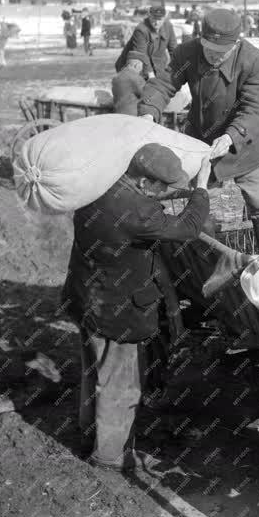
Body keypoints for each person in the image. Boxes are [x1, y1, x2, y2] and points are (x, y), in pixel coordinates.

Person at [63, 144, 211, 471]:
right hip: (117, 312)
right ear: (145, 183)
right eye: (161, 187)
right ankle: (110, 457)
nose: (162, 193)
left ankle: (92, 434)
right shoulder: (138, 212)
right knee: (122, 384)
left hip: (86, 298)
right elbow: (188, 228)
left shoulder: (96, 189)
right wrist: (200, 190)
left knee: (95, 372)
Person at [139, 9, 259, 251]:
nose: (213, 56)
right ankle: (208, 262)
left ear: (235, 45)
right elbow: (163, 84)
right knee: (201, 200)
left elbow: (255, 109)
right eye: (208, 49)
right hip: (204, 142)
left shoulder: (255, 61)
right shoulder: (187, 53)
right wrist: (148, 112)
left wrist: (230, 136)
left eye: (221, 53)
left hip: (249, 143)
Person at [116, 6, 178, 75]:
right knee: (138, 65)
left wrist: (174, 71)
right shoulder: (141, 29)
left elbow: (174, 50)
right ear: (149, 16)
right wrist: (150, 75)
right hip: (134, 65)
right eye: (154, 19)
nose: (157, 22)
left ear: (164, 18)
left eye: (160, 19)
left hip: (157, 64)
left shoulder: (168, 26)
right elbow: (141, 55)